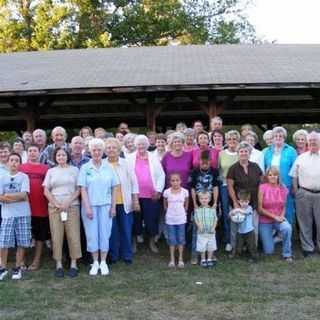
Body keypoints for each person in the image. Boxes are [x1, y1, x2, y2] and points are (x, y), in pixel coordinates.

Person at [78, 138, 119, 276]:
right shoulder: (85, 168)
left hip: (106, 206)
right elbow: (83, 189)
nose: (96, 152)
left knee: (105, 234)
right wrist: (87, 207)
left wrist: (113, 207)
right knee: (92, 235)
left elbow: (114, 189)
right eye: (94, 150)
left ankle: (103, 262)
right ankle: (95, 262)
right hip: (90, 207)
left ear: (103, 152)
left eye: (99, 150)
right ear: (90, 151)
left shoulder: (109, 167)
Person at [43, 147, 81, 278]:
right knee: (56, 235)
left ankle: (74, 264)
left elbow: (78, 189)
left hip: (72, 206)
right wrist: (56, 204)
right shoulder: (51, 171)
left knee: (73, 235)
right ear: (55, 157)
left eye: (63, 155)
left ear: (67, 156)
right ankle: (58, 264)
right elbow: (46, 190)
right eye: (58, 155)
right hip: (55, 208)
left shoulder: (75, 170)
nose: (61, 157)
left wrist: (67, 203)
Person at [127, 135, 165, 253]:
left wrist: (158, 190)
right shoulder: (129, 158)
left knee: (151, 220)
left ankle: (152, 242)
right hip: (135, 196)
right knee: (136, 220)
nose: (141, 146)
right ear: (135, 145)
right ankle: (134, 242)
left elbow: (161, 175)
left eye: (143, 144)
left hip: (151, 195)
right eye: (139, 144)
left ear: (147, 145)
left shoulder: (153, 157)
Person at [106, 138, 139, 265]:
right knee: (112, 230)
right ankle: (113, 255)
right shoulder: (103, 164)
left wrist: (135, 200)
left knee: (126, 229)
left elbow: (134, 182)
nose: (111, 150)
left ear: (119, 150)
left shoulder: (126, 163)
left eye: (114, 147)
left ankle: (127, 255)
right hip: (109, 204)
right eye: (108, 148)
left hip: (125, 202)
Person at [0, 153, 31, 281]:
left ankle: (17, 268)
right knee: (3, 241)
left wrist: (7, 197)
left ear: (20, 163)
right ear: (7, 163)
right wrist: (13, 197)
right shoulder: (1, 177)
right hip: (7, 214)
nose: (13, 162)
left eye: (16, 160)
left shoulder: (24, 177)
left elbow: (24, 195)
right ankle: (2, 267)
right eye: (11, 160)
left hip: (23, 213)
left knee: (22, 241)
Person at [227, 141, 263, 250]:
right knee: (236, 227)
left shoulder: (256, 166)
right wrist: (235, 203)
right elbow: (230, 187)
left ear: (250, 153)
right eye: (241, 151)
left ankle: (253, 248)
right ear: (238, 153)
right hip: (238, 203)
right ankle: (235, 249)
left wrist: (260, 200)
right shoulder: (233, 168)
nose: (243, 153)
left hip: (253, 203)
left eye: (246, 151)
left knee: (254, 227)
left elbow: (262, 183)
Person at [290, 131, 320, 257]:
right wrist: (297, 192)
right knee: (305, 223)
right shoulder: (301, 157)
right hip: (304, 194)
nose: (313, 142)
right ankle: (308, 248)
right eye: (311, 141)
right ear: (308, 142)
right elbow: (294, 176)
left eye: (315, 140)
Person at [19, 144, 49, 270]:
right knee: (24, 235)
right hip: (24, 207)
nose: (32, 153)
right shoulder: (21, 167)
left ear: (39, 152)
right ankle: (21, 260)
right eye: (30, 151)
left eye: (35, 151)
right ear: (27, 153)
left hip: (41, 207)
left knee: (39, 236)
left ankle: (36, 260)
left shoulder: (46, 168)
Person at [190, 150, 219, 263]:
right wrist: (195, 203)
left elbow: (216, 187)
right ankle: (194, 254)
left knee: (211, 228)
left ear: (210, 161)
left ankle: (211, 254)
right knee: (196, 228)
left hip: (210, 203)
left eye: (207, 162)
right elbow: (192, 188)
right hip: (198, 203)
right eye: (203, 162)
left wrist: (215, 202)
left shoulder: (214, 171)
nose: (205, 164)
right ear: (199, 161)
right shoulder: (195, 172)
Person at [264, 126, 297, 224]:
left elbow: (295, 170)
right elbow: (266, 168)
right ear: (273, 138)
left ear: (284, 138)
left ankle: (287, 235)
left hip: (286, 186)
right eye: (276, 136)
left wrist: (294, 186)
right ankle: (275, 236)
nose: (278, 138)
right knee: (273, 210)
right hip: (271, 186)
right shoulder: (268, 151)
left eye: (281, 136)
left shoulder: (291, 150)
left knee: (287, 210)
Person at [258, 167, 292, 261]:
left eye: (275, 174)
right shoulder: (262, 187)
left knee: (287, 228)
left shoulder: (283, 188)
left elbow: (284, 206)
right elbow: (260, 209)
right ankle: (274, 237)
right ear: (267, 176)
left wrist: (281, 216)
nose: (273, 177)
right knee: (269, 251)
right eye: (270, 175)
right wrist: (275, 217)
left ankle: (287, 254)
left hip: (278, 219)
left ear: (278, 176)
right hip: (265, 221)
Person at [218, 130, 240, 252]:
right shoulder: (221, 153)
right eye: (229, 139)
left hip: (239, 187)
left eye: (234, 139)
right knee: (227, 212)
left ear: (238, 140)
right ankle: (228, 240)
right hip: (225, 187)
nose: (232, 141)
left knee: (239, 211)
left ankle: (240, 239)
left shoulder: (240, 153)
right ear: (226, 141)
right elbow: (219, 171)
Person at [163, 173, 189, 268]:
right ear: (170, 182)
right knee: (172, 239)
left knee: (181, 239)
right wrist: (168, 211)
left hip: (181, 219)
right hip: (170, 219)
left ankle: (181, 259)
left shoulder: (185, 192)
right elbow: (165, 204)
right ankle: (172, 259)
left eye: (177, 180)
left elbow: (186, 202)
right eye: (173, 180)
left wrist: (184, 210)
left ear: (180, 181)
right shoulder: (167, 192)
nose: (175, 182)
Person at [230, 190, 257, 262]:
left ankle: (253, 257)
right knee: (239, 245)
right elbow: (230, 215)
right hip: (240, 231)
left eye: (246, 202)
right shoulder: (237, 209)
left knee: (251, 245)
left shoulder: (249, 208)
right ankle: (237, 254)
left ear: (249, 201)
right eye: (242, 202)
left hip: (249, 231)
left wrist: (238, 210)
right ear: (239, 201)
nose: (244, 203)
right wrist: (232, 213)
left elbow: (246, 212)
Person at [194, 191, 218, 268]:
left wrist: (213, 228)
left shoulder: (212, 210)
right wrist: (199, 226)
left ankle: (209, 259)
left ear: (209, 199)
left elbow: (215, 219)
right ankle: (203, 259)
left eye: (206, 198)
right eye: (202, 198)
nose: (204, 200)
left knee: (211, 246)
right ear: (199, 199)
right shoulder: (197, 210)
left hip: (211, 232)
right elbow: (196, 219)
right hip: (201, 232)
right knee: (202, 246)